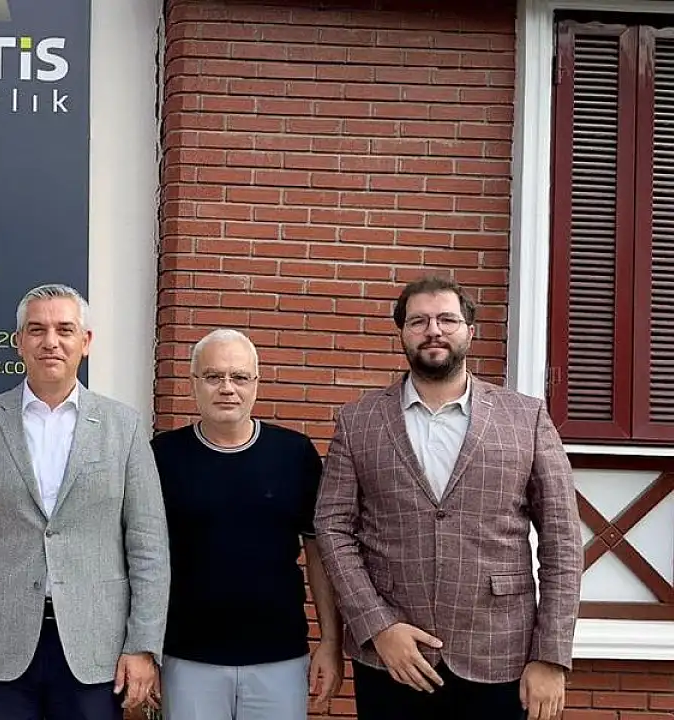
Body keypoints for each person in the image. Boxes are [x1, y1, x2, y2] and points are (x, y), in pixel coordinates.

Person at [313, 276, 583, 720]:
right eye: (418, 321)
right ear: (402, 332)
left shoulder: (526, 417)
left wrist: (551, 655)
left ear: (470, 331)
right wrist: (377, 625)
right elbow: (332, 528)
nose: (433, 330)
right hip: (392, 657)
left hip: (500, 655)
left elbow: (563, 542)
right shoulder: (358, 421)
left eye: (447, 320)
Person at [0, 283, 170, 720]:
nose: (51, 341)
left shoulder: (123, 427)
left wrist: (142, 645)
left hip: (95, 648)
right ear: (18, 342)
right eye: (37, 330)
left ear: (86, 341)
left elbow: (149, 546)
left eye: (65, 329)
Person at [150, 328, 343, 720]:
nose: (227, 388)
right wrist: (143, 649)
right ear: (193, 382)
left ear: (256, 382)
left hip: (279, 659)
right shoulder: (162, 457)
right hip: (187, 659)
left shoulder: (294, 454)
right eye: (213, 376)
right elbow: (141, 558)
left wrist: (330, 640)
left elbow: (319, 552)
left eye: (239, 376)